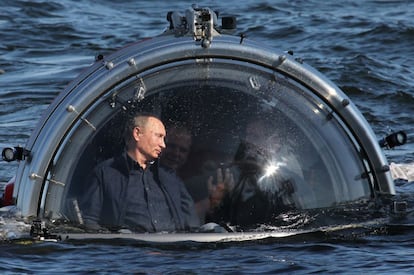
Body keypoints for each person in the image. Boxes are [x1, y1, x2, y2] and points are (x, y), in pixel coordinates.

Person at [79, 113, 200, 233]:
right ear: (137, 134)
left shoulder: (170, 178)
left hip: (171, 250)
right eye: (158, 136)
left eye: (164, 139)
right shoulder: (105, 174)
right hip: (129, 250)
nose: (163, 145)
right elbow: (89, 222)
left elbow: (192, 225)